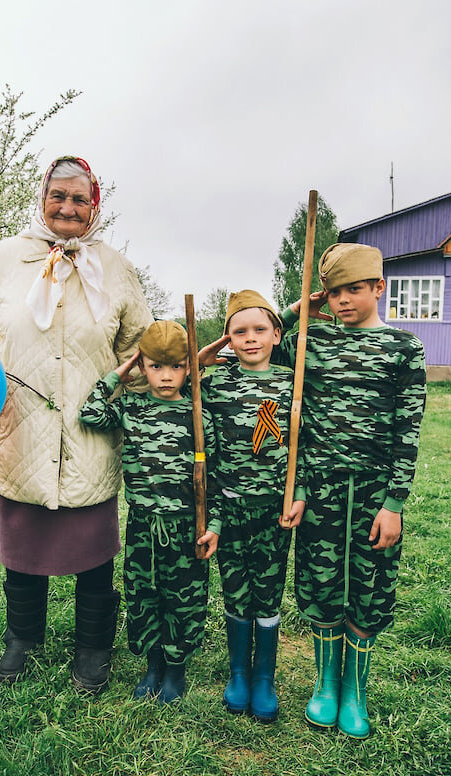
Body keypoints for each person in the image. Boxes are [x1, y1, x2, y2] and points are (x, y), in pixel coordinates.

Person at [0, 156, 153, 695]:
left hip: (90, 430)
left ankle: (92, 646)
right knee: (21, 543)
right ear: (41, 198)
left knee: (92, 548)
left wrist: (148, 394)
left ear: (95, 206)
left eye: (79, 199)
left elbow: (141, 350)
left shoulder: (115, 268)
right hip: (20, 429)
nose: (67, 207)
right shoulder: (4, 259)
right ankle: (23, 637)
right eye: (57, 195)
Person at [274, 244, 426, 739]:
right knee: (320, 584)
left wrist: (394, 504)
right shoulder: (310, 343)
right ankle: (325, 685)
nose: (343, 300)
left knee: (369, 585)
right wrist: (299, 310)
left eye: (354, 290)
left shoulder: (404, 348)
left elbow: (408, 430)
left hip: (374, 493)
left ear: (379, 287)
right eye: (335, 292)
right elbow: (264, 345)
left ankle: (355, 691)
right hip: (319, 491)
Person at [79, 320, 219, 704]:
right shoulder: (132, 407)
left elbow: (216, 476)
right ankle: (153, 663)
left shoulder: (199, 415)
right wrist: (118, 374)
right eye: (156, 366)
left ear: (188, 367)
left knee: (184, 598)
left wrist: (215, 525)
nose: (166, 376)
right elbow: (90, 414)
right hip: (143, 524)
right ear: (143, 367)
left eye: (175, 366)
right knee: (144, 594)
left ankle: (176, 669)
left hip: (186, 526)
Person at [197, 290, 304, 723]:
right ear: (227, 340)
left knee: (269, 591)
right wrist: (202, 361)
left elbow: (308, 445)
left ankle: (264, 678)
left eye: (261, 329)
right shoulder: (216, 384)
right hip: (231, 507)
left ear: (277, 334)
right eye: (239, 332)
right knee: (236, 589)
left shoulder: (292, 380)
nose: (251, 338)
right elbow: (170, 382)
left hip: (274, 510)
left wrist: (300, 495)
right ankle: (239, 673)